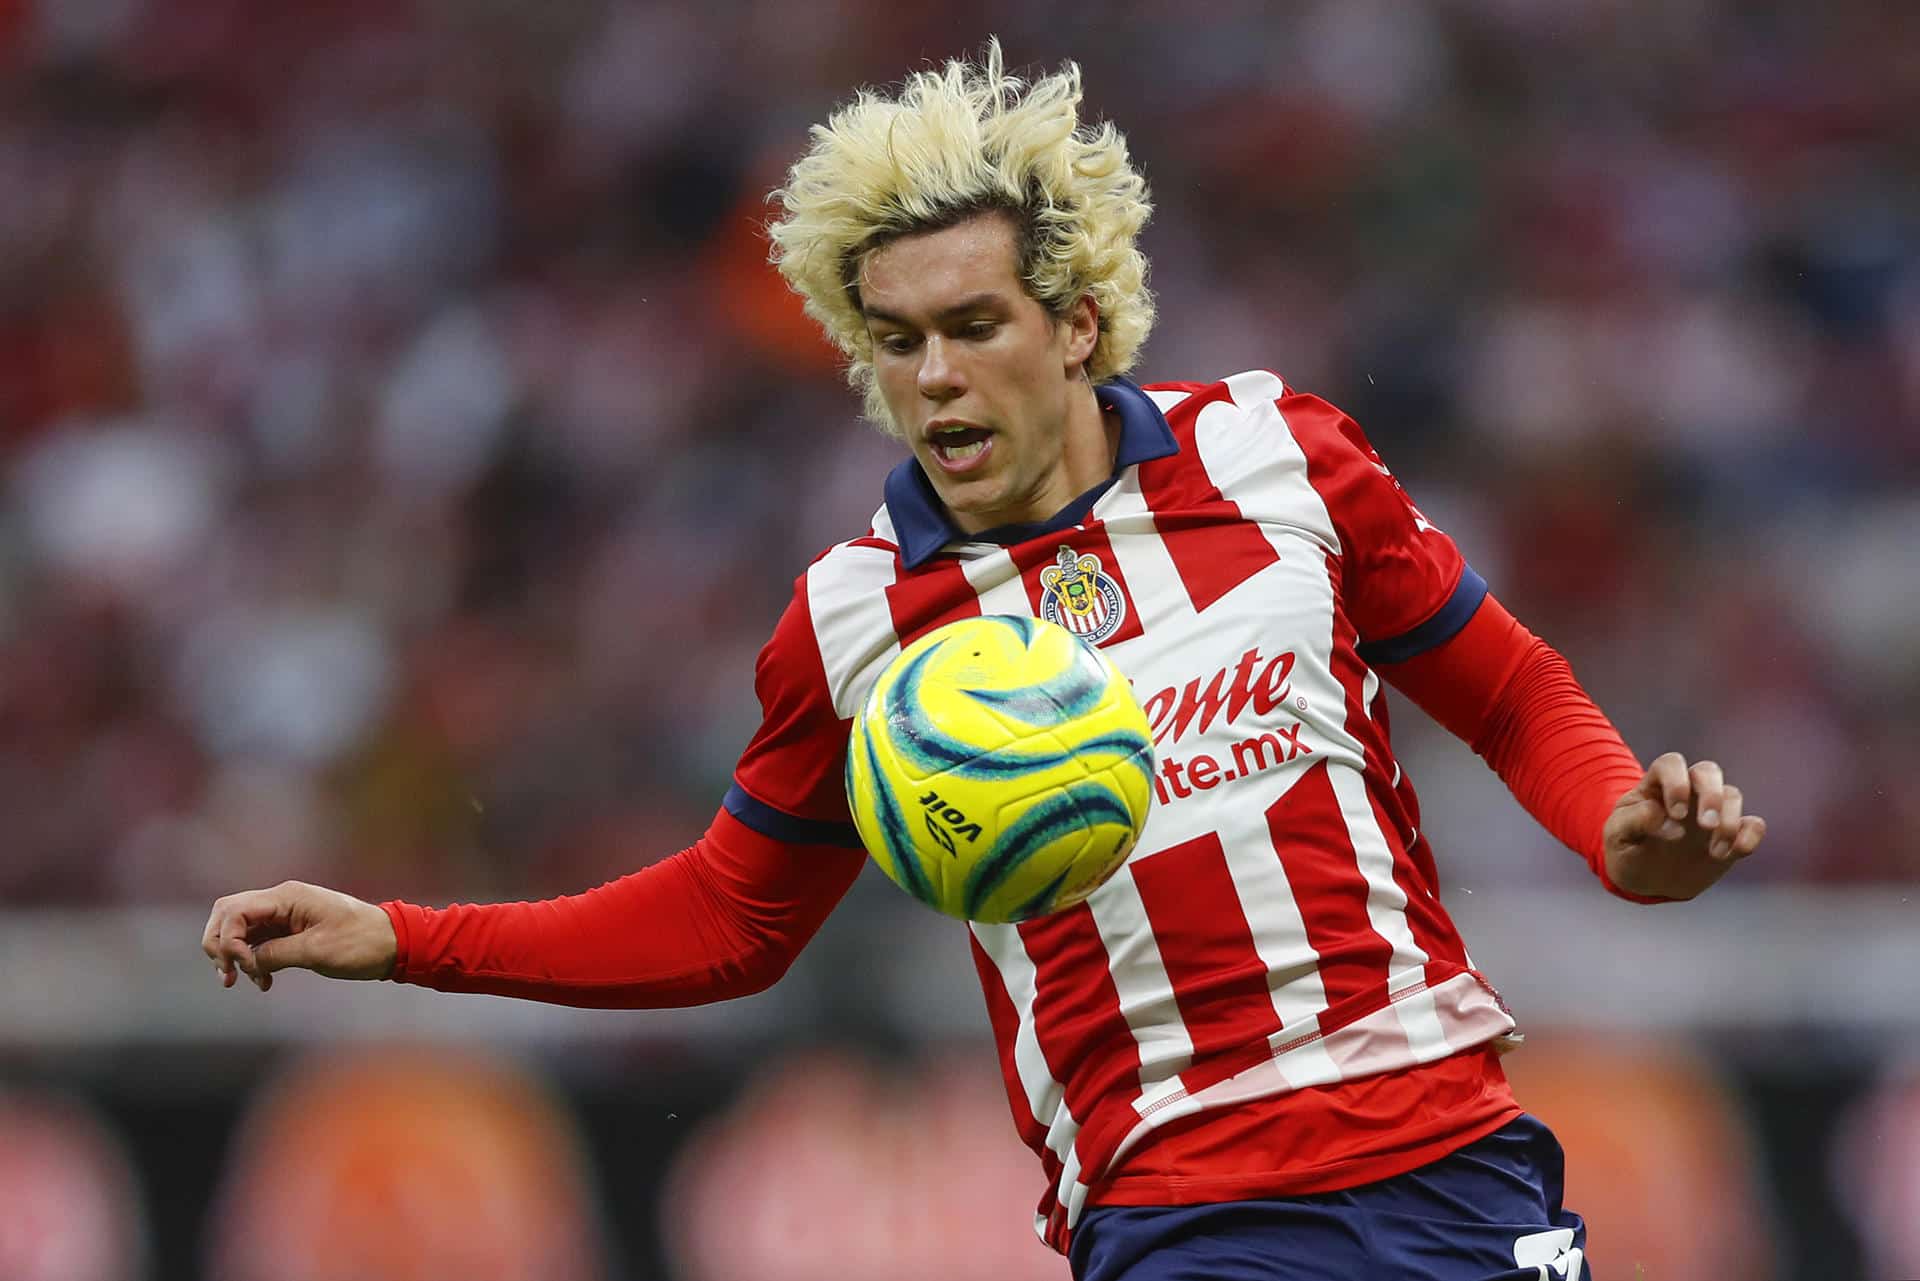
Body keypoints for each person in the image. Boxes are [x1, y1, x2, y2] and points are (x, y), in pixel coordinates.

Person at [202, 43, 1766, 1281]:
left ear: (1080, 323)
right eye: (895, 339)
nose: (935, 373)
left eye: (974, 323)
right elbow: (734, 919)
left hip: (1448, 1154)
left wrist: (1624, 827)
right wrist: (405, 936)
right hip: (1184, 1206)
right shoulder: (854, 618)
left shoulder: (1277, 452)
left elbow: (1498, 687)